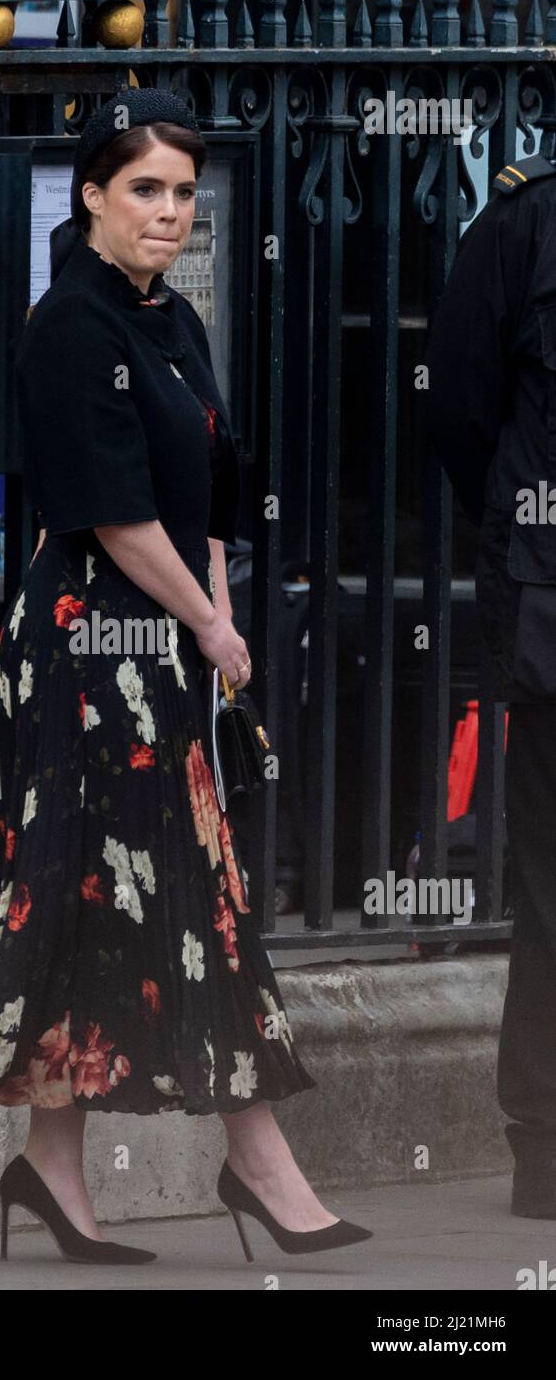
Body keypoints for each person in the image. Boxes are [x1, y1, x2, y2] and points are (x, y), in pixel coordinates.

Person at [0, 88, 373, 1265]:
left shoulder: (167, 320)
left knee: (127, 897)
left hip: (166, 642)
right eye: (145, 189)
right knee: (182, 895)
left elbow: (208, 495)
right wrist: (215, 629)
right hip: (88, 648)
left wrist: (219, 609)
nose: (171, 212)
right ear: (90, 195)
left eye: (183, 191)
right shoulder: (70, 326)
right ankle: (261, 1165)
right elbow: (117, 517)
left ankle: (53, 1166)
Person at [424, 147, 556, 1219]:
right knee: (551, 888)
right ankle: (547, 1151)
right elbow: (462, 419)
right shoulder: (520, 225)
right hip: (550, 604)